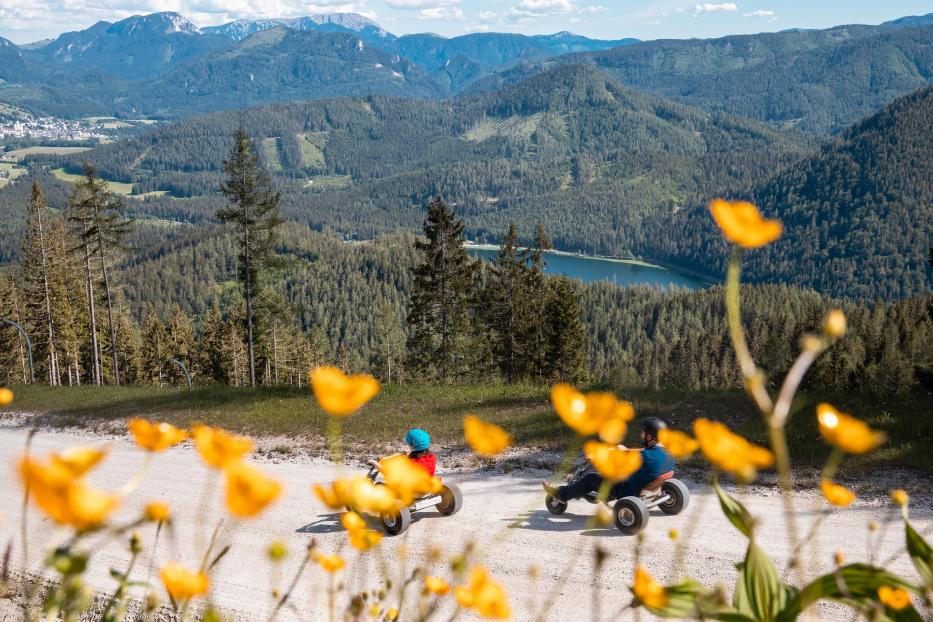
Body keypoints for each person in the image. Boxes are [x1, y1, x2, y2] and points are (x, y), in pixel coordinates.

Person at [543, 417, 675, 502]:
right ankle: (577, 488)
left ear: (650, 436)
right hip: (647, 485)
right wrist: (626, 450)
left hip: (626, 490)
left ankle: (562, 494)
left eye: (643, 432)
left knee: (590, 478)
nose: (641, 435)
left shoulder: (644, 457)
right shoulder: (668, 454)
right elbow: (644, 452)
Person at [370, 428, 437, 477]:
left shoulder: (410, 463)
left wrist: (374, 463)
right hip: (427, 489)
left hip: (414, 491)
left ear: (412, 445)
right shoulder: (432, 457)